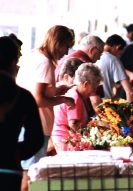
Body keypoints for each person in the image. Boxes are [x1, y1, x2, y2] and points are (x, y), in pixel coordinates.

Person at [16, 25, 76, 191]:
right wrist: (63, 99)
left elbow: (38, 90)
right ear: (58, 43)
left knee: (26, 172)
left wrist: (56, 90)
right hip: (37, 125)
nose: (66, 52)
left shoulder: (34, 56)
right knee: (30, 175)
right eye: (66, 46)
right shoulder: (44, 63)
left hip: (26, 122)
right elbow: (38, 99)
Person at [0, 36, 44, 191]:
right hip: (9, 168)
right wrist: (16, 152)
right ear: (13, 63)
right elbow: (36, 138)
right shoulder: (23, 97)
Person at [52, 63, 102, 151]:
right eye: (94, 86)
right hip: (64, 141)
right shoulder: (75, 97)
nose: (95, 89)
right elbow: (73, 125)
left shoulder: (77, 93)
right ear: (86, 84)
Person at [95, 34, 133, 102]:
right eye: (119, 53)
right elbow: (130, 92)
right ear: (118, 47)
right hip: (105, 106)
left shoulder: (94, 57)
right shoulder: (114, 60)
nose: (118, 55)